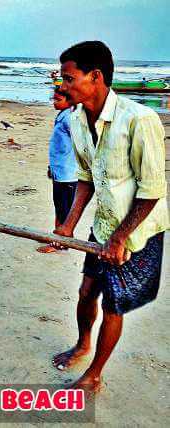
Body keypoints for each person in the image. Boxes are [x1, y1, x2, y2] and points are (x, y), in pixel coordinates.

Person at [52, 41, 168, 393]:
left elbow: (152, 189)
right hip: (102, 225)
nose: (63, 86)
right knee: (86, 293)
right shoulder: (74, 119)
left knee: (113, 304)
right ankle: (83, 344)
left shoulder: (139, 119)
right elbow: (87, 178)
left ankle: (95, 374)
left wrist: (120, 238)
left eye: (69, 79)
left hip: (137, 232)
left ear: (96, 76)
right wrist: (68, 224)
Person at [37, 88, 76, 253]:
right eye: (53, 99)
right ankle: (58, 238)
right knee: (59, 207)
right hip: (59, 171)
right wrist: (51, 168)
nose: (54, 102)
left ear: (70, 101)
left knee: (64, 210)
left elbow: (81, 144)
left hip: (68, 174)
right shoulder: (62, 115)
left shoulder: (70, 118)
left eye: (57, 100)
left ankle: (62, 243)